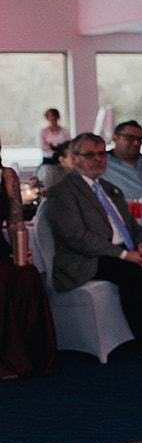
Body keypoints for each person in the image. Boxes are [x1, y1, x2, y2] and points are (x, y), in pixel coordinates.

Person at [41, 133, 142, 359]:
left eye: (101, 154)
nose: (98, 159)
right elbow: (77, 238)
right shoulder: (62, 192)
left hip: (124, 251)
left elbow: (133, 227)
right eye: (90, 155)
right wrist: (124, 254)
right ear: (74, 159)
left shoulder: (109, 188)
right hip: (87, 259)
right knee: (132, 272)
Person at [1, 134, 59, 379]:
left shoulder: (7, 176)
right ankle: (8, 360)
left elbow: (16, 222)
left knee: (27, 275)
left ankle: (33, 357)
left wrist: (21, 247)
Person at [101, 120, 142, 203]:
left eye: (139, 139)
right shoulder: (102, 163)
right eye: (130, 138)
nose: (136, 143)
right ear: (115, 138)